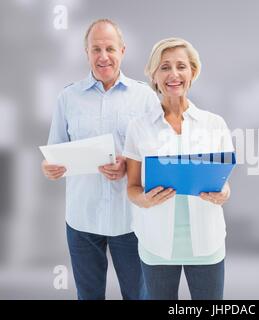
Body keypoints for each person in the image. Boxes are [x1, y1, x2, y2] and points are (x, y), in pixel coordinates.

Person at [41, 19, 159, 300]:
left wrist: (129, 166)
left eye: (110, 48)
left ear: (122, 51)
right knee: (88, 296)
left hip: (130, 220)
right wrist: (49, 168)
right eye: (96, 49)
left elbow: (157, 159)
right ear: (87, 52)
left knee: (139, 295)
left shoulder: (145, 98)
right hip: (83, 219)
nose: (103, 56)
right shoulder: (68, 98)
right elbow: (53, 151)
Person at [124, 38, 234, 300]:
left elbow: (224, 181)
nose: (173, 74)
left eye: (181, 66)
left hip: (207, 242)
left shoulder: (214, 123)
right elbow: (132, 188)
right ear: (153, 75)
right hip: (157, 244)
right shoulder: (139, 127)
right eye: (164, 67)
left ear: (192, 72)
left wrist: (224, 193)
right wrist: (144, 200)